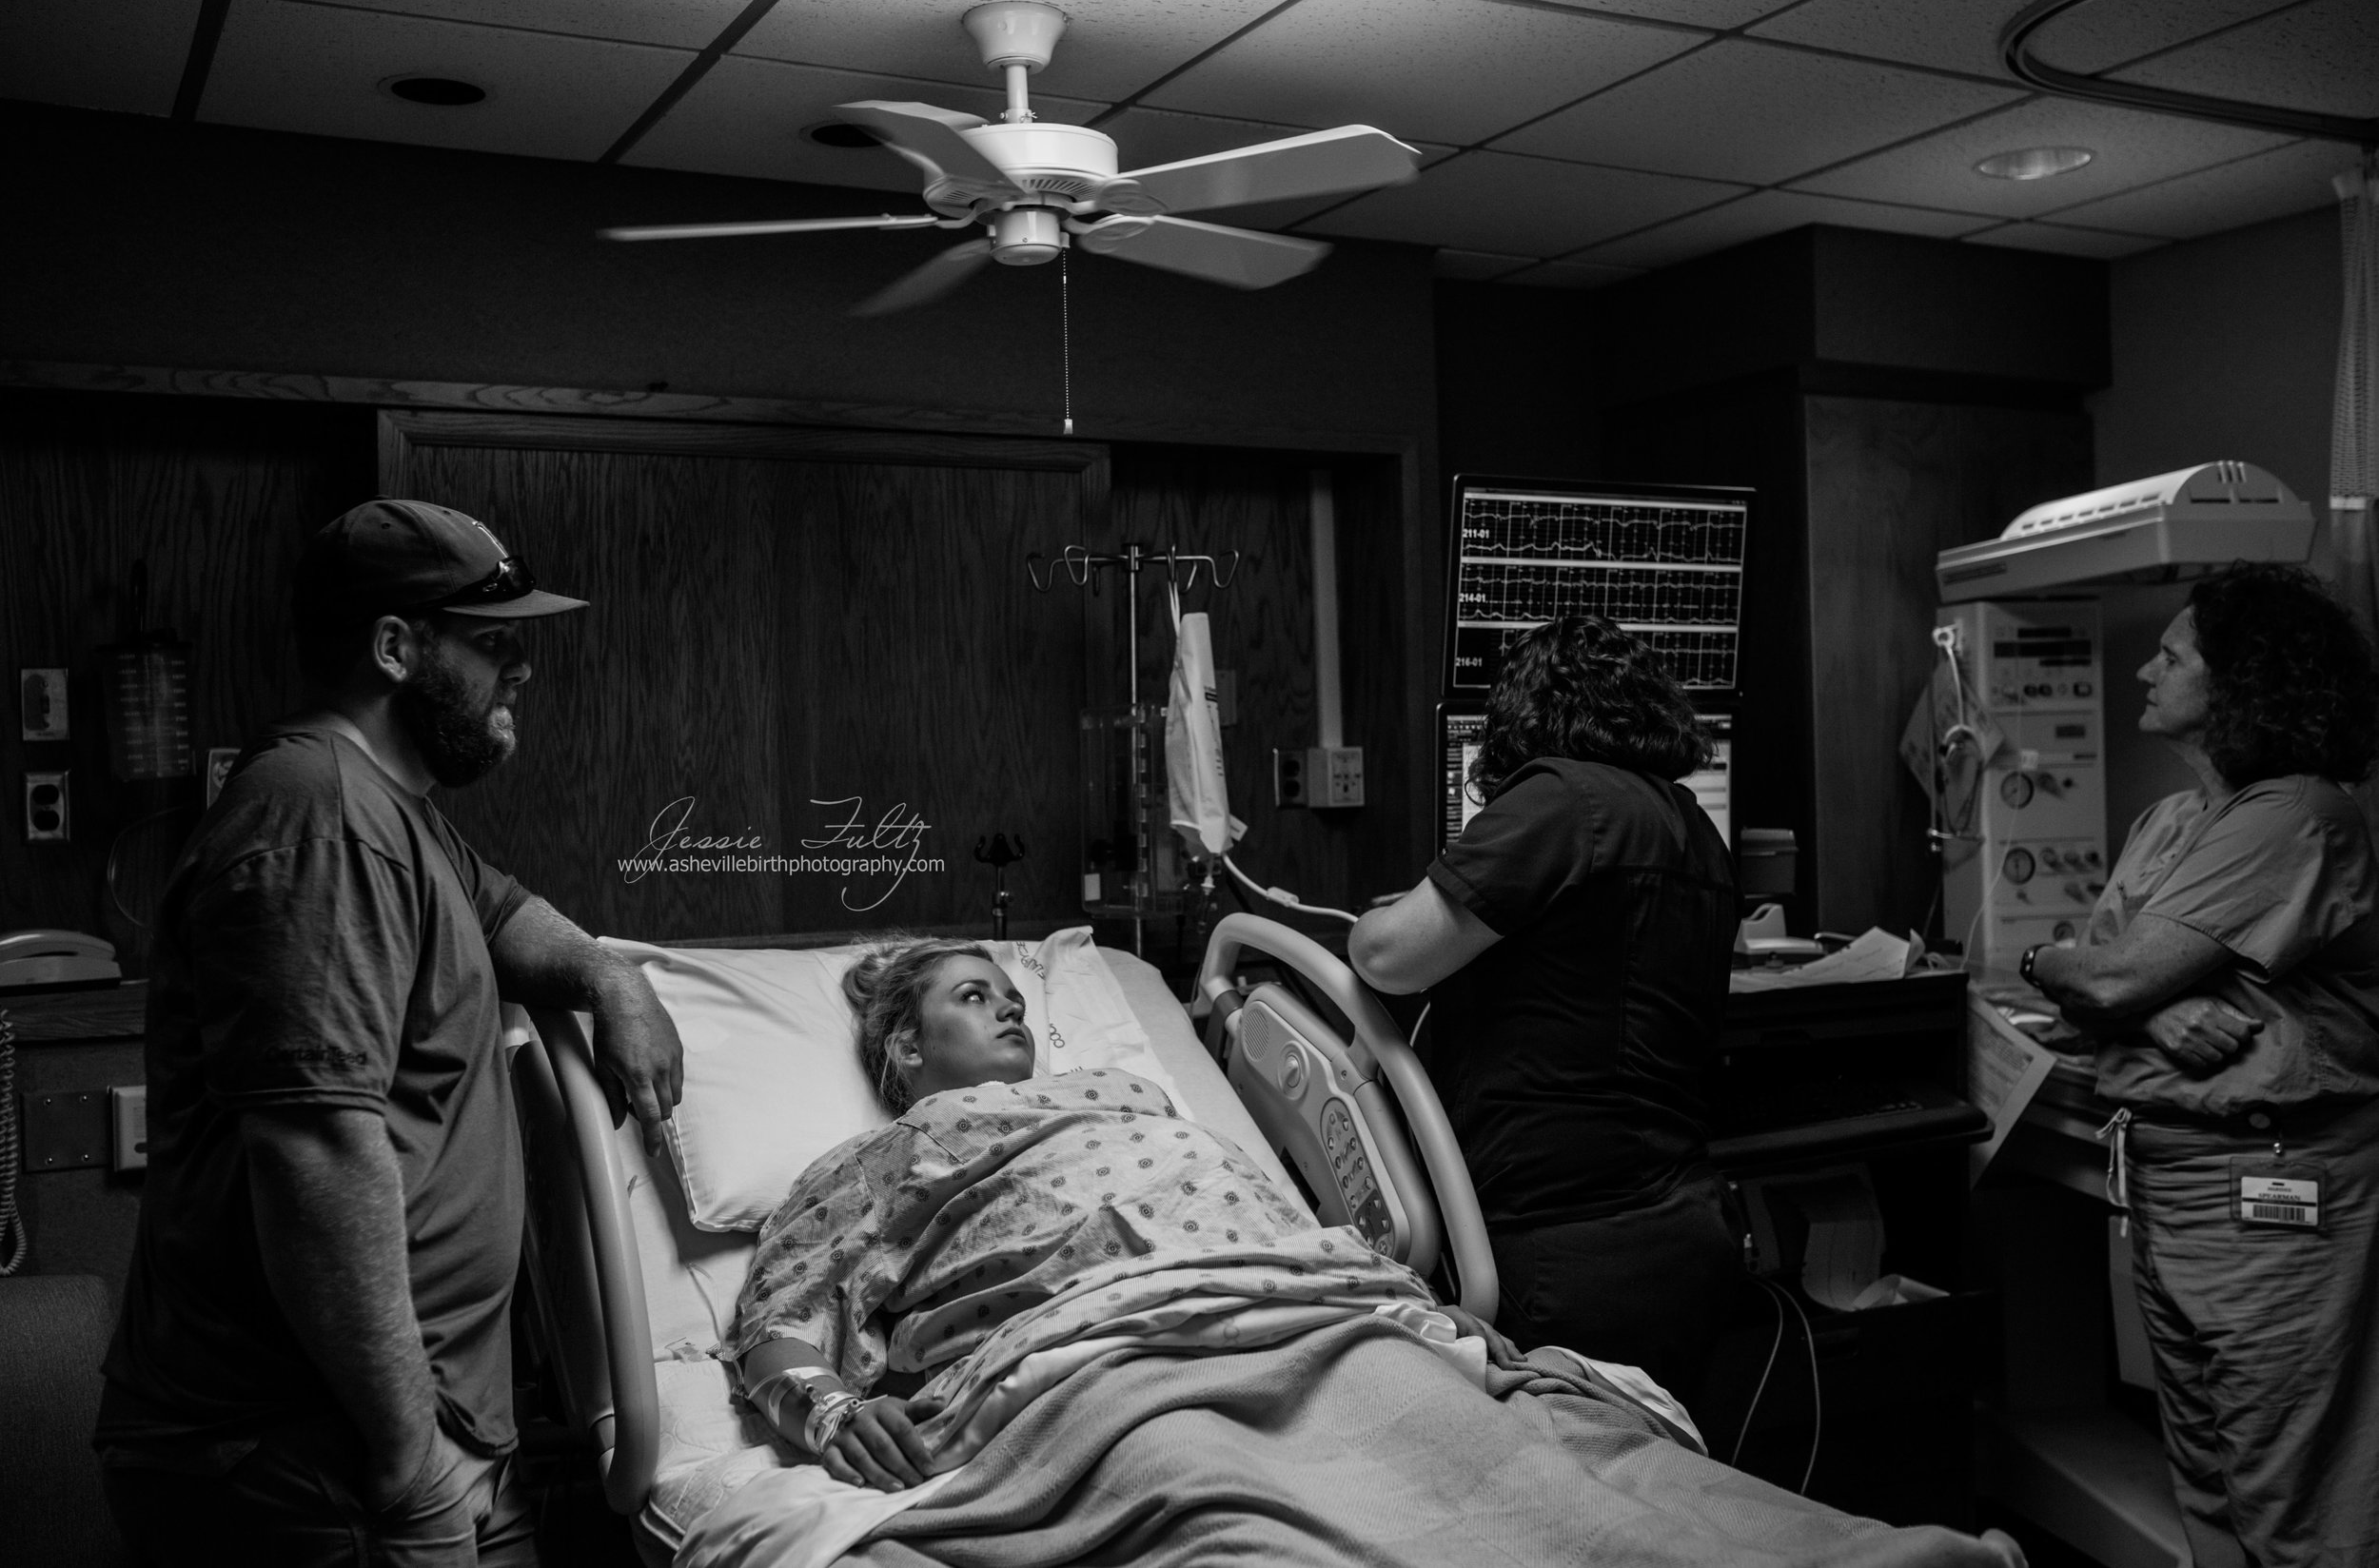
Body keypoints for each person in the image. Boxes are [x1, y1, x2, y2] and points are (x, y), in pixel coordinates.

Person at [705, 936, 2025, 1568]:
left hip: (1305, 1309)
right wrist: (821, 1397)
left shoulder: (1137, 1097)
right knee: (1221, 1507)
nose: (1010, 1008)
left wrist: (1414, 1309)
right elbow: (777, 1309)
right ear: (901, 1049)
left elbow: (1285, 1218)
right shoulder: (875, 1159)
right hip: (1099, 1361)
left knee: (1511, 1462)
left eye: (1014, 989)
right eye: (970, 996)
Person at [94, 500, 686, 1565]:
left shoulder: (391, 812)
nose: (524, 670)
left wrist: (610, 975)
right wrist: (411, 1461)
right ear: (395, 647)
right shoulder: (320, 821)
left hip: (391, 1440)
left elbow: (504, 916)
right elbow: (315, 1157)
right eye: (494, 641)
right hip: (312, 1455)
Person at [2021, 563, 2379, 1568]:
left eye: (2170, 653)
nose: (2144, 666)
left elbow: (2099, 979)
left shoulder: (2296, 814)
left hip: (2268, 1188)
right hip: (2173, 1184)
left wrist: (2078, 974)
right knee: (2210, 1477)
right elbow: (2101, 992)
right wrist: (2141, 1003)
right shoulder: (2171, 823)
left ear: (2237, 684)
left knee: (2289, 1495)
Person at [1347, 616, 1740, 1397]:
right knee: (1664, 1491)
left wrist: (1383, 920)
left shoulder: (1562, 797)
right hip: (1683, 1236)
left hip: (1567, 1251)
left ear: (1526, 717)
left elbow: (1387, 957)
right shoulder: (1694, 827)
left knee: (1562, 1500)